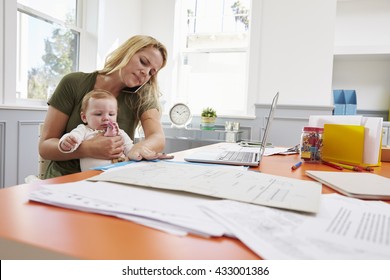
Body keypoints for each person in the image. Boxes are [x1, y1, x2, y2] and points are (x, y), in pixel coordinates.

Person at [39, 35, 172, 178]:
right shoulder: (73, 83)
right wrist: (88, 149)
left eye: (152, 72)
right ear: (127, 52)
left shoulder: (142, 95)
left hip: (111, 179)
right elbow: (45, 147)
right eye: (143, 62)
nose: (145, 72)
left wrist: (137, 149)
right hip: (64, 179)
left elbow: (157, 137)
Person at [58, 90, 133, 171]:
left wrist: (137, 154)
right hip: (92, 178)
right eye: (98, 114)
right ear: (84, 117)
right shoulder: (84, 130)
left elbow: (131, 150)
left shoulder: (119, 132)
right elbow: (73, 137)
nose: (106, 118)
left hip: (119, 174)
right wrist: (67, 142)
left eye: (111, 114)